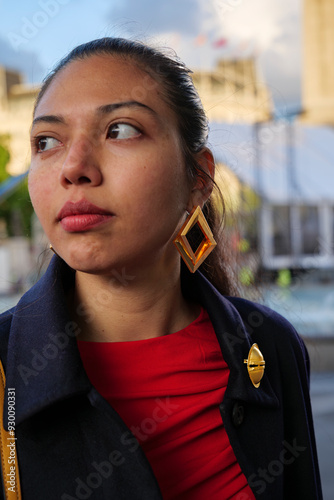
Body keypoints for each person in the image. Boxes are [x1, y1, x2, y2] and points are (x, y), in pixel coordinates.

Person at [0, 38, 322, 500]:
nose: (73, 167)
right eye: (46, 142)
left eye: (121, 130)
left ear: (197, 180)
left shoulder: (270, 347)